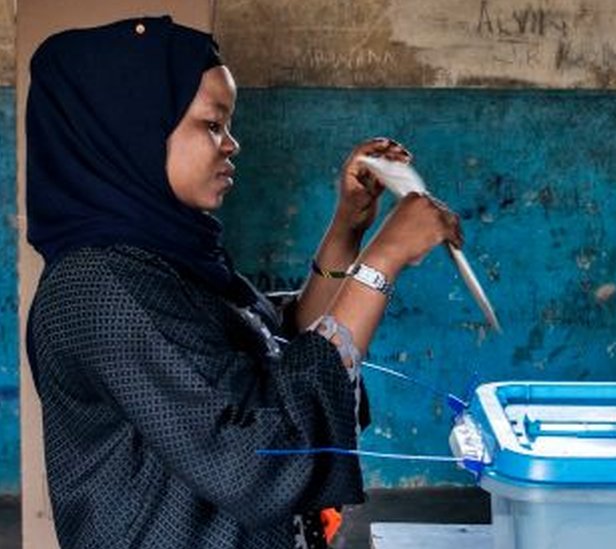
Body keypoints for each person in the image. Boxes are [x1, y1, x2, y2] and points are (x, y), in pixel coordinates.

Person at [25, 15, 462, 549]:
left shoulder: (168, 257)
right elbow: (254, 455)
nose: (232, 144)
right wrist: (384, 259)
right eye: (213, 125)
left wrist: (349, 225)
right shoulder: (100, 288)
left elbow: (282, 341)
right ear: (131, 131)